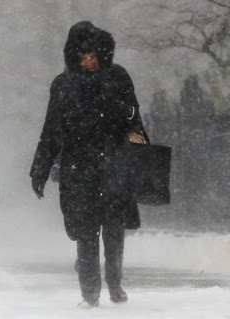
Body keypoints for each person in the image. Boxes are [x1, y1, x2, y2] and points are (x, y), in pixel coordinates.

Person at [30, 21, 147, 308]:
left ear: (103, 54)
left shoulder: (118, 77)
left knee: (114, 230)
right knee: (86, 233)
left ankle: (115, 283)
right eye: (84, 57)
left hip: (115, 165)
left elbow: (135, 118)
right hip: (79, 170)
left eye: (94, 56)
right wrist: (40, 169)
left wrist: (142, 157)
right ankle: (90, 294)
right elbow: (52, 130)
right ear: (74, 56)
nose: (89, 62)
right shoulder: (63, 85)